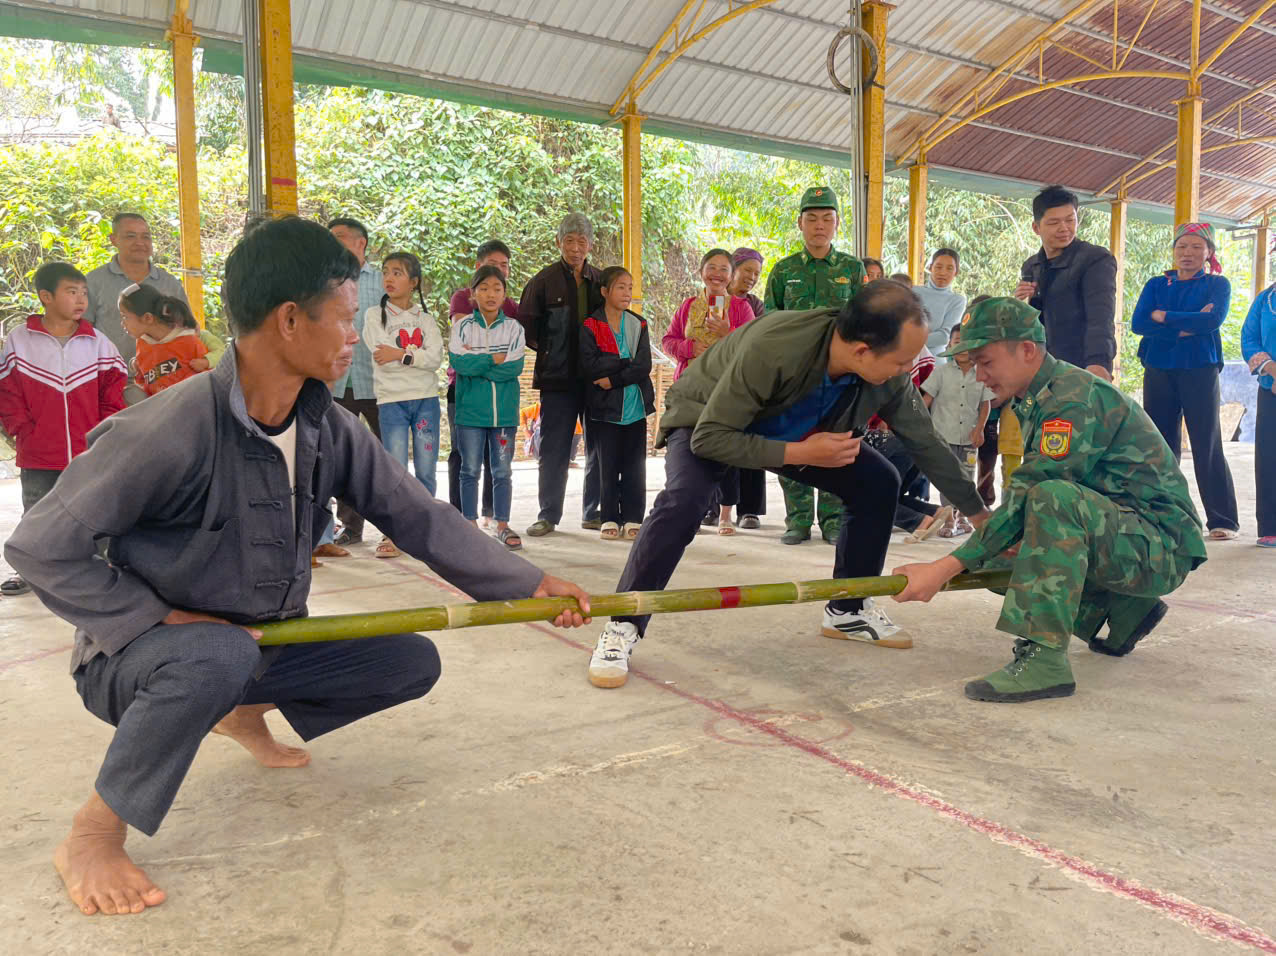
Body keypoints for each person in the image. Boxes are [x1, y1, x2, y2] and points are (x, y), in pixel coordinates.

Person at [3, 217, 591, 917]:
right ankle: (94, 831)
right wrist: (158, 617)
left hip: (257, 645)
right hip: (137, 662)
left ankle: (241, 709)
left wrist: (528, 583)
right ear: (288, 320)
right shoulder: (170, 427)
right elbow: (39, 546)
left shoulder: (327, 424)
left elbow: (417, 515)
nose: (354, 338)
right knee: (211, 655)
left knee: (407, 662)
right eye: (345, 319)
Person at [585, 281, 989, 689]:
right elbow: (710, 437)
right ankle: (623, 624)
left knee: (878, 481)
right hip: (708, 420)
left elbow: (925, 442)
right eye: (903, 362)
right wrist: (801, 454)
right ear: (863, 351)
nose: (909, 370)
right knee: (684, 502)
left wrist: (980, 515)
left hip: (800, 433)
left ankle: (848, 610)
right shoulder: (775, 344)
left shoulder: (887, 372)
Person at [892, 298, 1207, 703]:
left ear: (1026, 349)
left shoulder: (1070, 401)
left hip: (1161, 546)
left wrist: (942, 568)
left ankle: (1044, 659)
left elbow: (1035, 492)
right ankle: (1125, 611)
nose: (979, 376)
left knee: (1050, 501)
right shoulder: (1035, 395)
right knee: (1000, 549)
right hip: (1127, 535)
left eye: (986, 362)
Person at [0, 262, 127, 597]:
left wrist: (105, 432)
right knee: (38, 512)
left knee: (95, 511)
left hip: (90, 450)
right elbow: (8, 392)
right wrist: (20, 429)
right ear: (46, 297)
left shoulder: (98, 343)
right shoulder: (19, 341)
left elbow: (113, 392)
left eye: (83, 292)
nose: (80, 299)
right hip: (39, 451)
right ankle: (29, 571)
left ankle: (100, 570)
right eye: (71, 292)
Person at [763, 186, 868, 545]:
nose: (819, 226)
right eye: (812, 218)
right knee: (793, 441)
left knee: (837, 443)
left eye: (827, 218)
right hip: (794, 374)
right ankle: (798, 519)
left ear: (838, 224)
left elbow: (863, 321)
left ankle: (833, 520)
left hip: (839, 375)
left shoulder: (852, 269)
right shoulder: (783, 271)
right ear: (800, 223)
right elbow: (770, 323)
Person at [1131, 222, 1239, 540]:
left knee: (1206, 442)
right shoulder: (1156, 283)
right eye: (1181, 247)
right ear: (1174, 251)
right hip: (1158, 367)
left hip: (1200, 368)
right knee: (1160, 444)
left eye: (1195, 247)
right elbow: (1139, 322)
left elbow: (1213, 320)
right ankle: (1163, 515)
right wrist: (1184, 325)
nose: (1187, 253)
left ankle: (1223, 520)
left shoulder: (1218, 285)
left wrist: (1163, 316)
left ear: (1209, 252)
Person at [519, 212, 603, 537]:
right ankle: (547, 515)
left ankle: (593, 512)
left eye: (582, 241)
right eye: (569, 240)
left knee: (597, 444)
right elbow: (527, 328)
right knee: (554, 447)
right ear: (558, 243)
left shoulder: (601, 281)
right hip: (557, 381)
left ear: (590, 245)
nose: (576, 247)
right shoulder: (543, 281)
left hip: (595, 379)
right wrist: (553, 352)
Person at [665, 248, 757, 532]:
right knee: (689, 448)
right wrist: (690, 347)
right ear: (701, 272)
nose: (717, 274)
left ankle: (726, 513)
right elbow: (669, 340)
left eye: (723, 270)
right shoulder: (688, 305)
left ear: (731, 277)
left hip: (726, 388)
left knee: (724, 449)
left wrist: (727, 333)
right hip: (690, 388)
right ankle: (693, 512)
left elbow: (754, 348)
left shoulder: (741, 308)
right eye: (712, 268)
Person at [362, 252, 444, 558]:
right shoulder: (374, 316)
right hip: (391, 402)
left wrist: (399, 355)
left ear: (414, 282)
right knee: (395, 470)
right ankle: (394, 532)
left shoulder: (426, 319)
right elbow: (379, 355)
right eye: (386, 271)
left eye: (397, 272)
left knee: (426, 469)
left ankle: (425, 529)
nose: (389, 278)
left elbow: (435, 359)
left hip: (425, 401)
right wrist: (413, 357)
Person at [450, 265, 527, 550]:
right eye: (484, 288)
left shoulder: (514, 328)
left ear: (505, 294)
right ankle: (469, 524)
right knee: (469, 469)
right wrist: (493, 359)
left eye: (497, 288)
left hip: (504, 414)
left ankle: (502, 524)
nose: (491, 294)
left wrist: (478, 363)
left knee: (502, 470)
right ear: (473, 294)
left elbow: (514, 367)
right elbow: (460, 364)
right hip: (470, 413)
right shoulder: (461, 328)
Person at [580, 266, 655, 541]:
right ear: (604, 291)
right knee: (607, 465)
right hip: (603, 408)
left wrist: (613, 378)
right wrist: (624, 363)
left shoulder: (639, 324)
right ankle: (609, 516)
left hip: (635, 404)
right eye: (620, 287)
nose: (627, 293)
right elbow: (590, 366)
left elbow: (643, 365)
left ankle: (634, 517)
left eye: (629, 286)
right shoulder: (590, 326)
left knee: (635, 464)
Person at [1015, 185, 1117, 381]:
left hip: (1079, 365)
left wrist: (1098, 362)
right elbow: (1029, 324)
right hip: (1039, 365)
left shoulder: (1095, 259)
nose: (1064, 228)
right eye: (1054, 222)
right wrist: (1018, 304)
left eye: (1070, 220)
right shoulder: (1031, 266)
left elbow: (1101, 317)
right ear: (1036, 228)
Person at [326, 217, 384, 550]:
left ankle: (397, 526)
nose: (332, 243)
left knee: (387, 456)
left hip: (379, 383)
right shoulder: (326, 281)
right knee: (340, 455)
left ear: (360, 243)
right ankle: (351, 526)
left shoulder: (383, 281)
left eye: (338, 238)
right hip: (337, 382)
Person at [84, 213, 191, 376]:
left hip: (165, 379)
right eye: (130, 236)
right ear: (113, 240)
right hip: (110, 379)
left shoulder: (169, 284)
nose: (140, 243)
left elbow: (187, 328)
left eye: (146, 237)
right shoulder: (93, 282)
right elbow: (81, 333)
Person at [922, 325, 993, 537]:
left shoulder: (981, 375)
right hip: (942, 435)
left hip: (969, 439)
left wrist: (979, 429)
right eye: (956, 342)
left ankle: (964, 516)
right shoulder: (940, 372)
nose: (961, 347)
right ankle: (949, 518)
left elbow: (985, 404)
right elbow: (927, 399)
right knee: (946, 478)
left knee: (967, 477)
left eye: (965, 341)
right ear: (949, 345)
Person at [726, 247, 768, 528]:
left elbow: (758, 342)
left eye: (757, 273)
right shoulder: (706, 300)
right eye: (747, 271)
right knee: (717, 444)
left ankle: (749, 510)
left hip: (749, 382)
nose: (752, 277)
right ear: (732, 270)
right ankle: (712, 506)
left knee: (751, 442)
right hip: (715, 382)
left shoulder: (756, 305)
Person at [117, 285, 210, 397]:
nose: (122, 323)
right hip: (158, 408)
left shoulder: (189, 342)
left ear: (148, 318)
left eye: (125, 317)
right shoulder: (142, 344)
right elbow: (145, 382)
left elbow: (207, 384)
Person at [1241, 276, 1276, 548]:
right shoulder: (1265, 300)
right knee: (1269, 455)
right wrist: (1272, 370)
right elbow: (1249, 339)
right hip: (1271, 387)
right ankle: (1271, 527)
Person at [914, 248, 967, 354]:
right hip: (905, 357)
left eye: (950, 268)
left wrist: (910, 341)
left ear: (956, 272)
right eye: (938, 267)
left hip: (935, 361)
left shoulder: (957, 300)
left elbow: (944, 337)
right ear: (930, 267)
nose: (943, 273)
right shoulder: (913, 292)